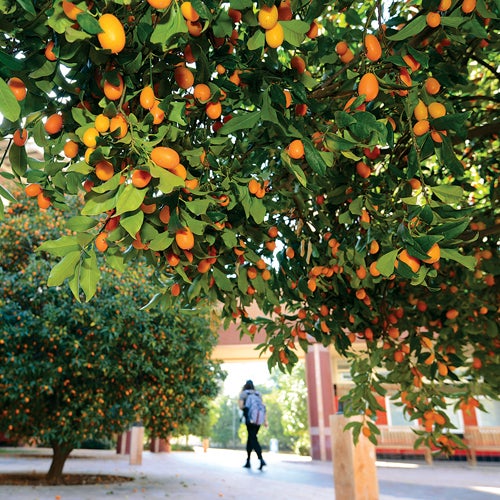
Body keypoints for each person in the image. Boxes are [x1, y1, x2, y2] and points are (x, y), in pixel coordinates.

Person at [238, 379, 267, 470]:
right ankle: (248, 461)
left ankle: (261, 459)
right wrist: (265, 421)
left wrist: (246, 408)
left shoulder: (244, 394)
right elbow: (263, 408)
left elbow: (241, 406)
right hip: (258, 420)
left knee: (253, 438)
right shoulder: (258, 394)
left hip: (249, 419)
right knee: (251, 438)